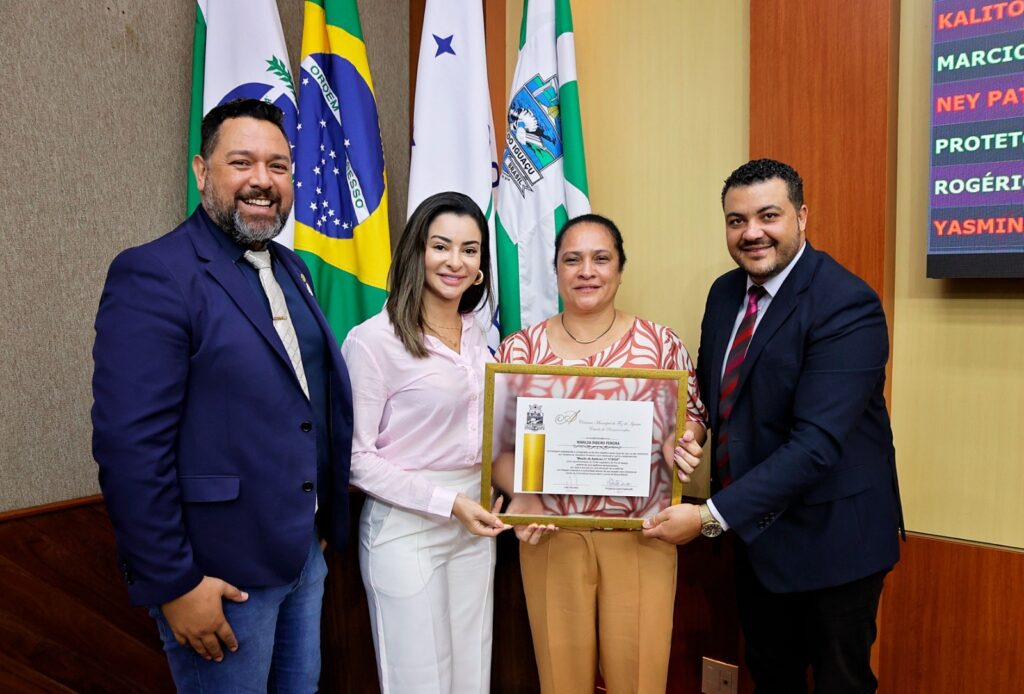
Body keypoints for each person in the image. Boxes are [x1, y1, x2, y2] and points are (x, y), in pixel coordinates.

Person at [92, 98, 352, 692]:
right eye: (242, 162)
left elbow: (302, 408)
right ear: (202, 171)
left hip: (300, 557)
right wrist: (175, 583)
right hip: (217, 576)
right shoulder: (154, 273)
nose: (262, 180)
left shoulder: (292, 268)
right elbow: (129, 445)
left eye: (278, 166)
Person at [643, 159, 903, 693]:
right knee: (771, 677)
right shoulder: (723, 294)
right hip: (755, 539)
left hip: (834, 541)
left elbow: (815, 447)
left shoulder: (846, 304)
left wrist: (709, 518)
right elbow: (721, 396)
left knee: (841, 684)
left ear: (801, 216)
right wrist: (692, 431)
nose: (752, 233)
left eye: (768, 216)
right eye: (736, 221)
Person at [494, 214, 707, 694]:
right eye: (573, 259)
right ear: (556, 270)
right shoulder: (518, 349)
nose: (586, 270)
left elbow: (693, 417)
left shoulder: (660, 344)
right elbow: (501, 448)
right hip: (550, 536)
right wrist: (515, 496)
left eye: (600, 258)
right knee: (560, 679)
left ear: (620, 269)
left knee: (638, 678)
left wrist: (686, 439)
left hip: (642, 535)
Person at [341, 191, 507, 694]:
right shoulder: (372, 341)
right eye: (442, 246)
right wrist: (447, 502)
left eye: (470, 249)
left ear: (481, 266)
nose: (456, 261)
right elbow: (355, 458)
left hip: (476, 525)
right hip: (406, 529)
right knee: (419, 681)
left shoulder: (483, 334)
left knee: (472, 674)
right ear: (416, 250)